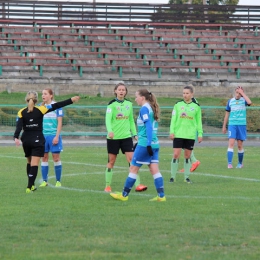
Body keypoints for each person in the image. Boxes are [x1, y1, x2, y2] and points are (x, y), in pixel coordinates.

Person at [14, 91, 80, 193]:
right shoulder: (41, 109)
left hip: (26, 139)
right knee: (34, 164)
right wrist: (71, 100)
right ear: (36, 100)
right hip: (37, 139)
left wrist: (16, 137)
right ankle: (29, 186)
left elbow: (18, 127)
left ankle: (31, 185)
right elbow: (57, 105)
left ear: (26, 99)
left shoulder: (21, 111)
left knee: (29, 162)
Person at [110, 89, 166, 202]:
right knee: (154, 170)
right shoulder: (151, 107)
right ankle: (161, 196)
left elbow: (148, 126)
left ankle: (124, 195)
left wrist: (148, 144)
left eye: (136, 97)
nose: (135, 99)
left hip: (146, 144)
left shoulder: (144, 109)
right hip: (155, 144)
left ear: (142, 98)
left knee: (133, 168)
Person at [104, 83, 147, 193]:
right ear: (115, 91)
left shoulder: (129, 104)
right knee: (111, 162)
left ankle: (138, 185)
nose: (121, 91)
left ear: (126, 92)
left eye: (123, 90)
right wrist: (110, 131)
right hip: (113, 138)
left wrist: (134, 134)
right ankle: (107, 186)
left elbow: (131, 120)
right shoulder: (111, 104)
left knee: (132, 161)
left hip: (126, 137)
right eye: (119, 90)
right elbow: (108, 119)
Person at [169, 86, 203, 183]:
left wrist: (200, 134)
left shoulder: (196, 107)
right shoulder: (177, 105)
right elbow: (173, 120)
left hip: (190, 135)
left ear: (192, 94)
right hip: (178, 134)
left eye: (187, 93)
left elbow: (199, 121)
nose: (185, 95)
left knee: (187, 156)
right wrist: (172, 131)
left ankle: (186, 177)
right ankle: (172, 177)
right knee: (176, 154)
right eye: (183, 93)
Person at [222, 86, 252, 169]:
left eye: (239, 93)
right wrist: (224, 126)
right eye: (237, 92)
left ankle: (240, 163)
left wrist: (242, 93)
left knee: (239, 145)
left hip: (241, 125)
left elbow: (250, 102)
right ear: (234, 92)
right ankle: (229, 163)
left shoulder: (244, 101)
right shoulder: (230, 101)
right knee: (231, 143)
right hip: (232, 125)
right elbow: (227, 114)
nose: (238, 94)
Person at [39, 88, 64, 188]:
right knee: (44, 157)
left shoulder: (57, 107)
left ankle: (58, 181)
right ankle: (45, 181)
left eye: (45, 94)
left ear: (51, 95)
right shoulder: (41, 107)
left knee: (56, 158)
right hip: (43, 136)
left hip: (53, 135)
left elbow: (60, 122)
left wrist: (57, 136)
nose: (43, 96)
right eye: (42, 94)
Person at [179, 97, 201, 173]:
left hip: (189, 128)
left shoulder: (193, 102)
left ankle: (193, 162)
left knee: (185, 146)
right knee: (184, 146)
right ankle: (191, 164)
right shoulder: (188, 102)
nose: (185, 95)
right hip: (185, 127)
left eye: (187, 93)